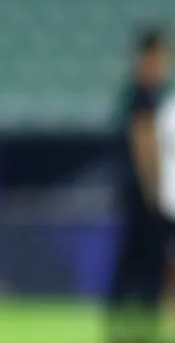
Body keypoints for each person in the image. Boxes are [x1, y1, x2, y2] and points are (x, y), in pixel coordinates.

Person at [107, 27, 170, 343]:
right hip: (142, 193)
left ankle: (124, 324)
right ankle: (135, 326)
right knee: (143, 260)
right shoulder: (144, 94)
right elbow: (144, 144)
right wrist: (154, 191)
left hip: (132, 190)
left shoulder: (138, 92)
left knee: (132, 258)